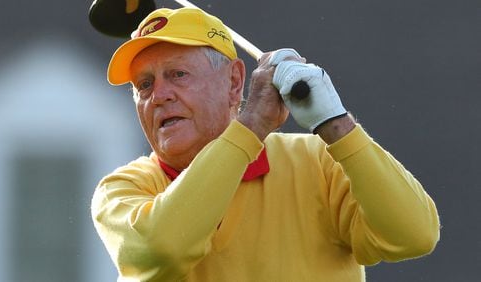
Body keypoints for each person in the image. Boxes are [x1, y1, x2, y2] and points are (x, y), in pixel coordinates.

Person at [91, 7, 440, 282]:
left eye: (178, 75)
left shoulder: (317, 161)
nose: (159, 96)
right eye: (144, 85)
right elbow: (163, 250)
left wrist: (336, 124)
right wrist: (252, 125)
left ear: (234, 81)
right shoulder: (123, 189)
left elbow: (415, 235)